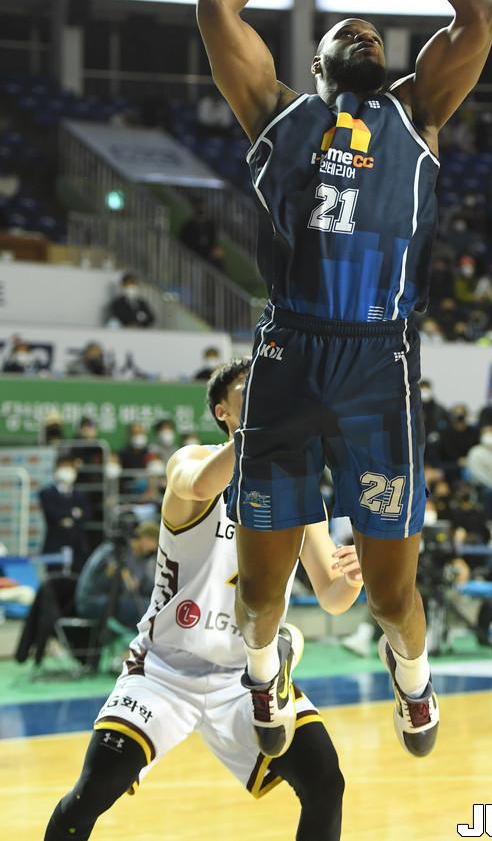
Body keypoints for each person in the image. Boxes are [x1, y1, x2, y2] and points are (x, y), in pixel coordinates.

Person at [197, 0, 492, 759]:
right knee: (261, 590)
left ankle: (414, 678)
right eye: (347, 31)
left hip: (378, 362)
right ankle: (262, 670)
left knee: (393, 594)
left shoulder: (418, 113)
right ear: (318, 61)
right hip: (288, 356)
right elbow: (216, 7)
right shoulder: (276, 112)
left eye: (376, 33)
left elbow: (480, 11)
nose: (365, 33)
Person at [44, 359, 362, 841]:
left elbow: (333, 596)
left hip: (247, 678)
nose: (266, 393)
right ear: (223, 412)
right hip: (165, 669)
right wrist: (265, 432)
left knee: (325, 781)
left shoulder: (299, 493)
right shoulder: (190, 461)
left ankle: (275, 659)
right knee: (93, 790)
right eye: (250, 389)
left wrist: (354, 577)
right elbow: (197, 485)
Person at [75, 520, 159, 630]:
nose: (155, 548)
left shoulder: (142, 557)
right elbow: (113, 582)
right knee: (144, 608)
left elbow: (147, 584)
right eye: (154, 542)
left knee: (154, 605)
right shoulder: (115, 550)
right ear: (145, 538)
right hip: (93, 601)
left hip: (117, 600)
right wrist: (128, 582)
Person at [38, 457, 93, 573]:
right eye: (63, 467)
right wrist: (74, 513)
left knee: (77, 575)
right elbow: (52, 513)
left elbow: (87, 514)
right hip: (55, 543)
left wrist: (69, 516)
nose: (66, 471)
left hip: (77, 544)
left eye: (69, 467)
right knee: (54, 576)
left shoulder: (80, 494)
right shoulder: (47, 493)